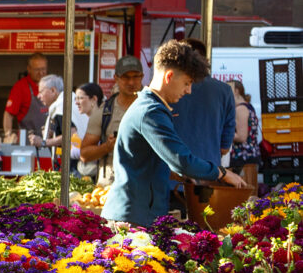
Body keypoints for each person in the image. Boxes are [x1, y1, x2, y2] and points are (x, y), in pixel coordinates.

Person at [102, 39, 245, 227]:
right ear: (169, 76)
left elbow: (150, 162)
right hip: (133, 217)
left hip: (139, 213)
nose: (189, 90)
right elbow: (181, 160)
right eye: (187, 83)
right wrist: (222, 172)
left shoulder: (151, 107)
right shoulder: (150, 111)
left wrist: (183, 175)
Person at [171, 38, 235, 174]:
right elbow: (224, 148)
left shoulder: (169, 89)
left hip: (173, 175)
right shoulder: (225, 91)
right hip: (209, 174)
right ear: (205, 61)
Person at [81, 56, 144, 186]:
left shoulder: (152, 109)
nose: (131, 82)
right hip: (109, 187)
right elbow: (84, 154)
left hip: (143, 184)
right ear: (116, 78)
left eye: (136, 76)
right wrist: (106, 147)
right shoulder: (104, 112)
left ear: (142, 77)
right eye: (126, 77)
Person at [33, 75, 87, 159]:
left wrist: (44, 143)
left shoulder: (61, 107)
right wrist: (51, 134)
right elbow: (65, 147)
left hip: (77, 164)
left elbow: (71, 134)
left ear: (53, 90)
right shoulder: (69, 100)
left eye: (41, 92)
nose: (38, 96)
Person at [2, 53, 50, 140]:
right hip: (28, 143)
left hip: (50, 141)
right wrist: (8, 136)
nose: (41, 73)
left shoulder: (52, 85)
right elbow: (8, 115)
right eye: (37, 70)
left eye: (43, 69)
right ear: (29, 69)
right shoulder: (20, 87)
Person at [231, 79, 261, 187]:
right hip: (248, 158)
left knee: (245, 197)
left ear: (236, 91)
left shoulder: (240, 109)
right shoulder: (247, 106)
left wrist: (222, 134)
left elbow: (241, 136)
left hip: (243, 159)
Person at [74, 83, 104, 178]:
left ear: (94, 99)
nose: (76, 102)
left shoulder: (103, 120)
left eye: (81, 98)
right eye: (76, 98)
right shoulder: (87, 120)